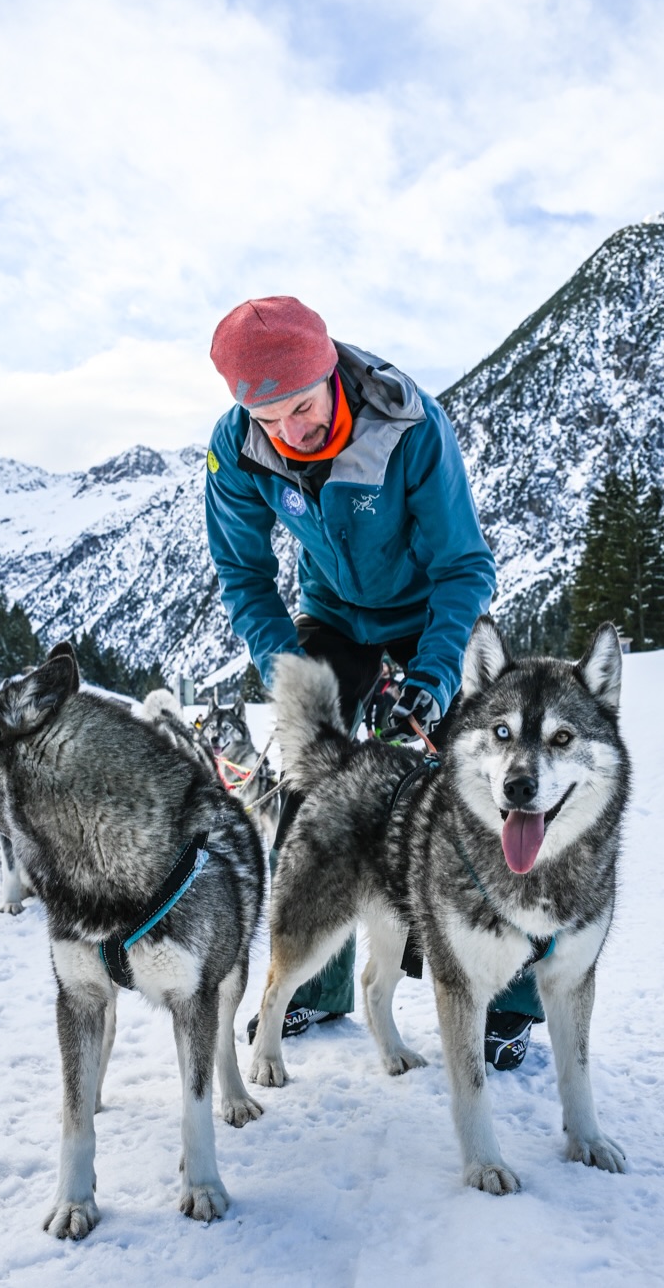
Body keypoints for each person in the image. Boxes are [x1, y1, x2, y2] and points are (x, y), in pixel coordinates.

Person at [203, 295, 542, 1070]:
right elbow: (243, 574)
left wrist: (428, 677)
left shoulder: (407, 424)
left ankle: (506, 1000)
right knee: (311, 792)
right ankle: (312, 990)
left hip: (429, 615)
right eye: (271, 419)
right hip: (332, 618)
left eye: (303, 406)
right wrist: (287, 670)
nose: (293, 431)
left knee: (492, 796)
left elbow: (465, 564)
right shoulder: (235, 452)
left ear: (331, 373)